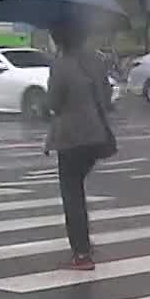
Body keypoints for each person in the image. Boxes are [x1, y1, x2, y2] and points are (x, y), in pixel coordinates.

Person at [45, 22, 116, 270]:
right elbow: (107, 97)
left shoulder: (61, 65)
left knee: (71, 194)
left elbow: (53, 103)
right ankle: (84, 245)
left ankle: (82, 253)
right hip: (96, 136)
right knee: (77, 189)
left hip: (70, 138)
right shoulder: (96, 63)